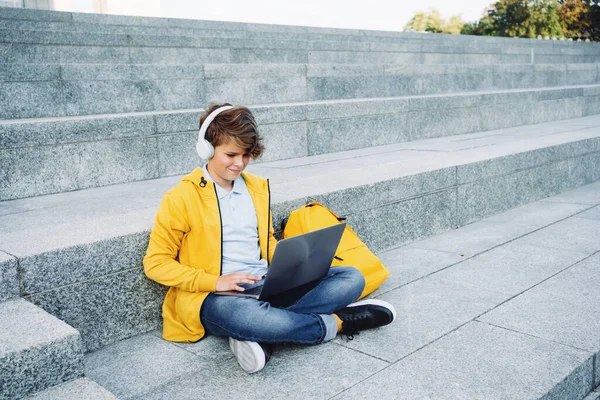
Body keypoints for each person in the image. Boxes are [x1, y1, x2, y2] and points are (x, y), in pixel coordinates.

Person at [143, 103, 396, 373]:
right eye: (230, 154)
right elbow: (156, 263)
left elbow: (265, 241)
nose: (239, 163)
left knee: (351, 277)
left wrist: (292, 263)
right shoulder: (182, 198)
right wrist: (215, 281)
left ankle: (263, 334)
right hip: (216, 298)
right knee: (245, 317)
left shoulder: (255, 188)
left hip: (266, 285)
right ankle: (337, 323)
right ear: (207, 148)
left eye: (246, 155)